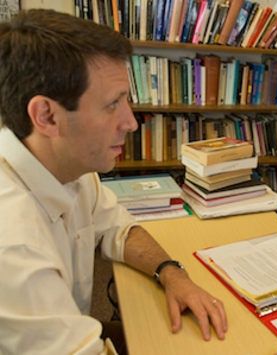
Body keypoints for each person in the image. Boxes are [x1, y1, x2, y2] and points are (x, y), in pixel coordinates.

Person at [0, 9, 226, 354]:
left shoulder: (67, 168)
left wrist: (172, 272)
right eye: (112, 105)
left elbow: (118, 228)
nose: (132, 123)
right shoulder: (14, 248)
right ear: (47, 116)